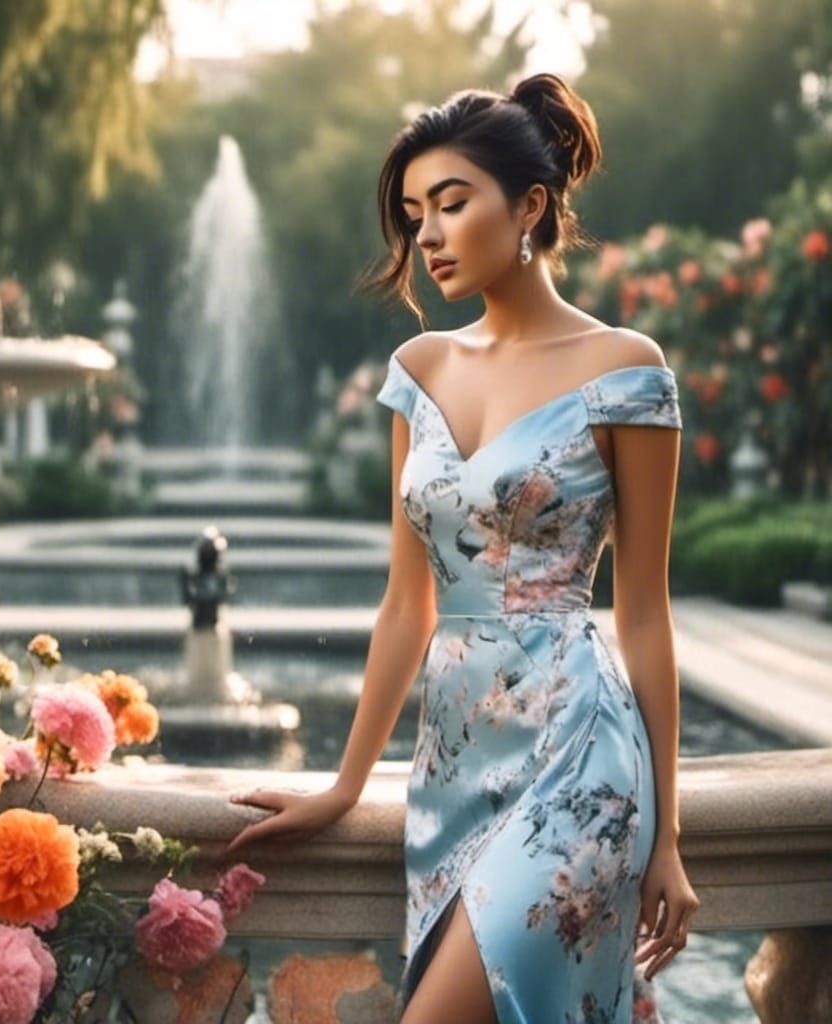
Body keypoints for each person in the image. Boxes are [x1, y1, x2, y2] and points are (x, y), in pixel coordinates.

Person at [224, 71, 700, 1023]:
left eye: (450, 203)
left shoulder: (625, 371)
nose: (427, 236)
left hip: (579, 752)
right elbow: (409, 602)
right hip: (450, 764)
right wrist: (345, 783)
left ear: (529, 206)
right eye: (412, 214)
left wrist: (668, 837)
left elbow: (645, 610)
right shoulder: (418, 370)